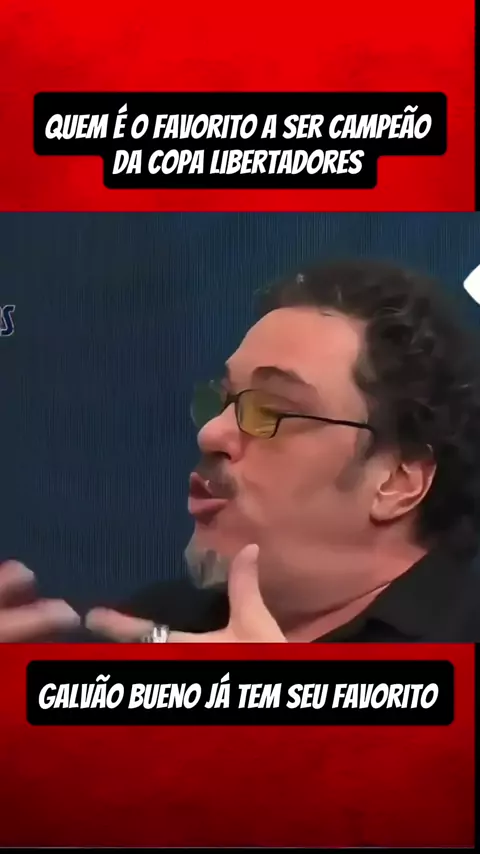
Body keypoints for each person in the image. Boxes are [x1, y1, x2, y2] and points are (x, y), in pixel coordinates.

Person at [2, 258, 480, 643]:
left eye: (272, 410)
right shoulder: (153, 623)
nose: (211, 433)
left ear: (397, 481)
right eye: (224, 401)